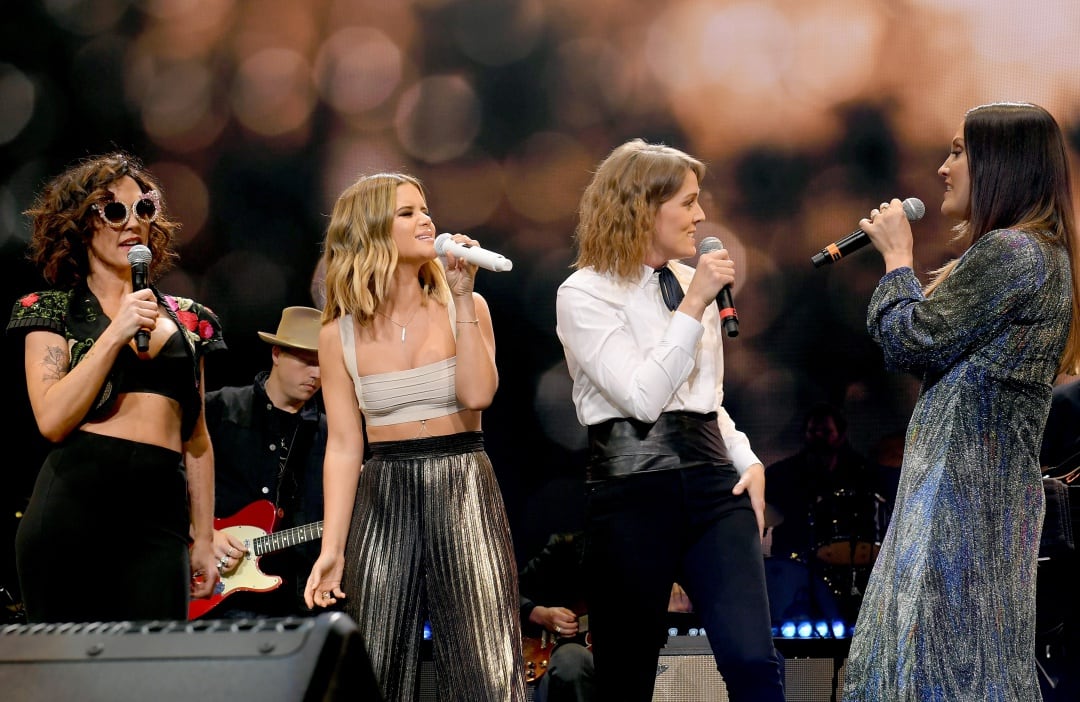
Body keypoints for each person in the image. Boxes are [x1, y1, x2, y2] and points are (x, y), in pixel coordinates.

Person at [842, 102, 1080, 701]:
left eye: (957, 151)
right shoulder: (1031, 255)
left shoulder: (1015, 253)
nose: (944, 168)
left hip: (966, 500)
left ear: (1000, 164)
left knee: (945, 672)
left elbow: (908, 337)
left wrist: (897, 259)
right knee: (955, 668)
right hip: (973, 494)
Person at [555, 139, 784, 701]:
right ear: (642, 207)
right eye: (687, 202)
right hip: (631, 489)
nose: (701, 215)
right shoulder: (583, 293)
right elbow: (642, 397)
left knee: (754, 658)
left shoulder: (689, 284)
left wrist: (746, 456)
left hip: (713, 485)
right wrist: (693, 305)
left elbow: (703, 397)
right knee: (626, 673)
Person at [303, 172, 526, 701]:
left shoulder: (463, 308)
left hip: (463, 479)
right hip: (383, 491)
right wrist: (333, 547)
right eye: (406, 213)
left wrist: (465, 297)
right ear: (372, 230)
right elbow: (343, 446)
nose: (426, 220)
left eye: (424, 209)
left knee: (486, 668)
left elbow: (477, 396)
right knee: (374, 666)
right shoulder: (338, 334)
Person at [6, 152, 226, 623]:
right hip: (72, 510)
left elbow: (199, 438)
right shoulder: (49, 311)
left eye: (143, 209)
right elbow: (52, 418)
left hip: (159, 519)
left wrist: (203, 538)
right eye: (113, 210)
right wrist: (114, 332)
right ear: (80, 224)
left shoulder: (190, 319)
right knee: (69, 683)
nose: (132, 222)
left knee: (151, 676)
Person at [203, 306, 326, 619]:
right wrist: (205, 533)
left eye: (323, 363)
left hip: (298, 597)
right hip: (220, 590)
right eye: (306, 360)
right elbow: (172, 480)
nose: (316, 373)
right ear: (276, 353)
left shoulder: (330, 434)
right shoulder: (220, 408)